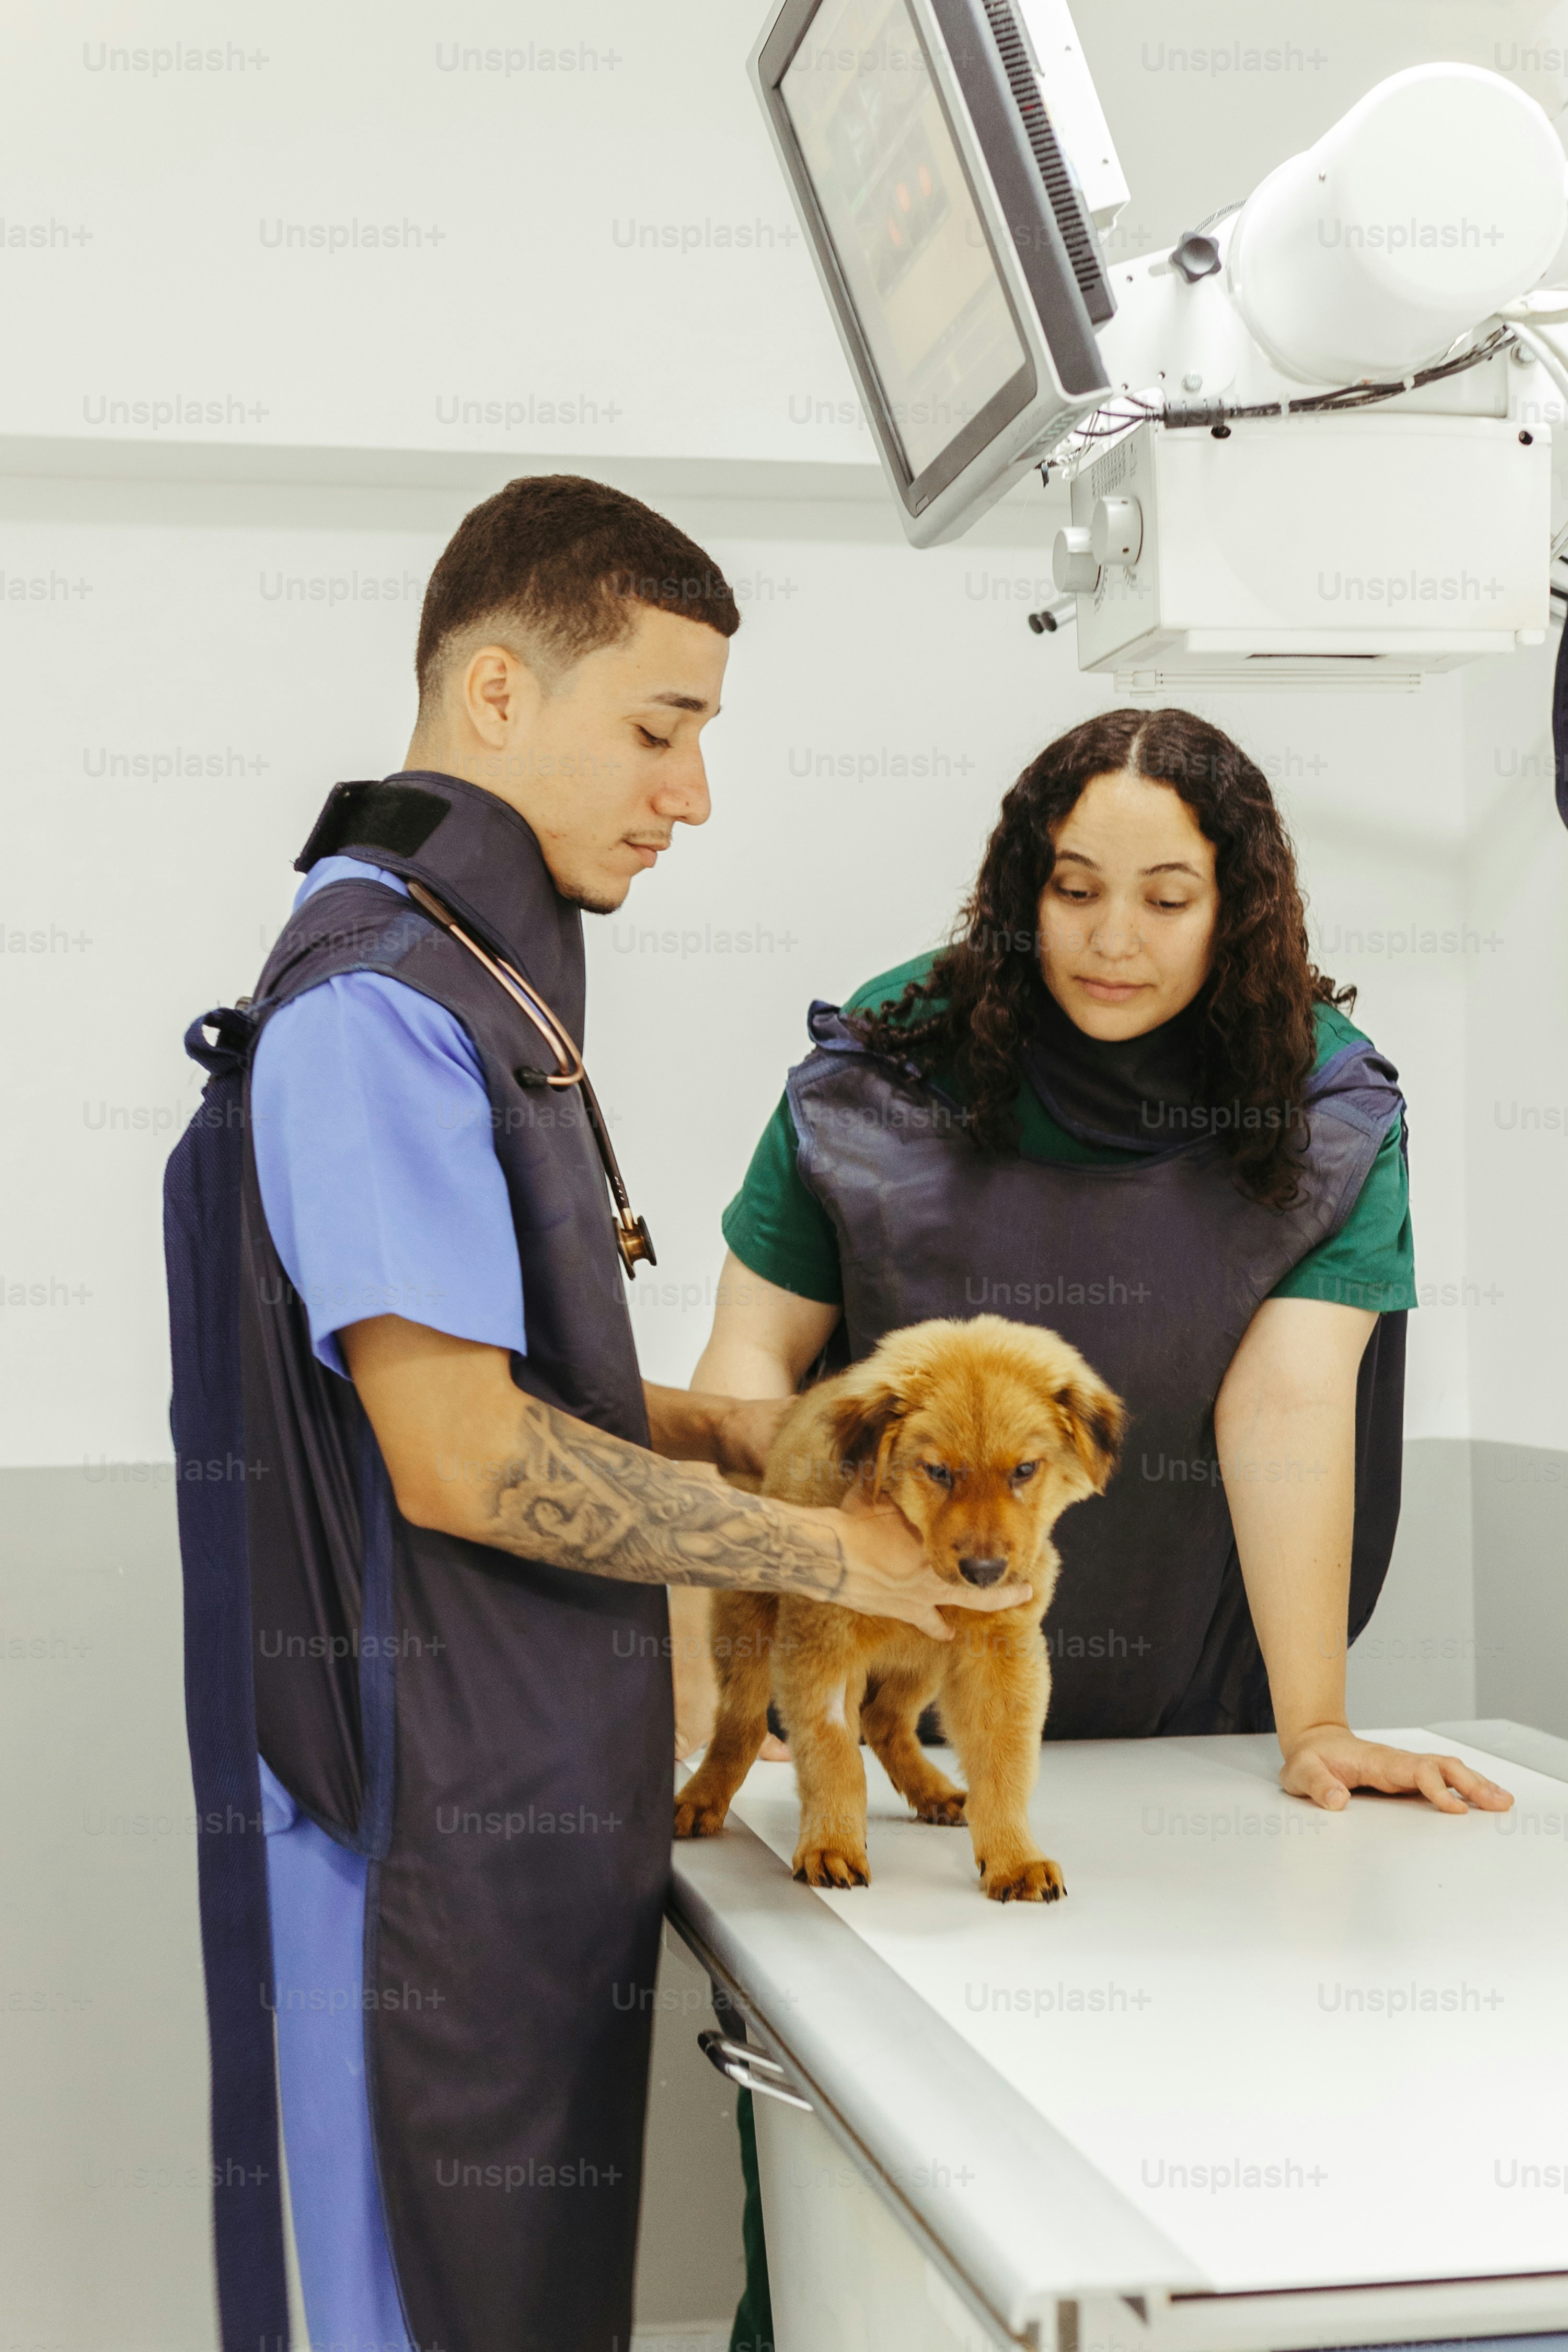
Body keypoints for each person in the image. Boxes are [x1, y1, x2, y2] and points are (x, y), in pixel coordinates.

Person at [162, 475, 1030, 2352]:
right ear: (495, 694)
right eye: (662, 728)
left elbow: (459, 1371)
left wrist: (711, 1430)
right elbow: (459, 1459)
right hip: (420, 1844)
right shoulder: (375, 1010)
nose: (691, 793)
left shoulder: (468, 981)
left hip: (513, 1818)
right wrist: (825, 1544)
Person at [674, 704, 1515, 2352]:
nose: (1113, 938)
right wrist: (740, 1692)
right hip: (858, 1693)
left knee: (1184, 2179)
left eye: (1168, 896)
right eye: (1072, 887)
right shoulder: (881, 1063)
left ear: (1241, 905)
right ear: (1020, 886)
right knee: (878, 2186)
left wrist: (1315, 1722)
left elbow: (1283, 1415)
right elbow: (746, 1377)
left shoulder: (1323, 1104)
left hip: (1171, 1733)